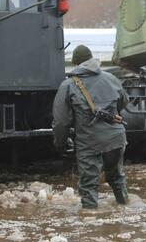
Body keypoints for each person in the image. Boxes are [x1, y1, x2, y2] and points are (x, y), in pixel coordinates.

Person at [53, 45, 129, 209]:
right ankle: (124, 209)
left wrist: (60, 144)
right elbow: (123, 102)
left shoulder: (68, 85)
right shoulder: (112, 78)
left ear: (75, 63)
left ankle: (90, 221)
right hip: (117, 138)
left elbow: (61, 122)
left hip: (89, 142)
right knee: (117, 176)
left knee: (89, 185)